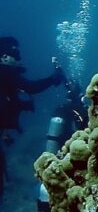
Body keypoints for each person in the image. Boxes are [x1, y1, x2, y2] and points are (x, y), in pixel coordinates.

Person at [1, 36, 66, 197]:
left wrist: (21, 106)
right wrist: (53, 78)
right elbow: (30, 87)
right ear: (5, 56)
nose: (19, 59)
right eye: (15, 54)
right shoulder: (5, 72)